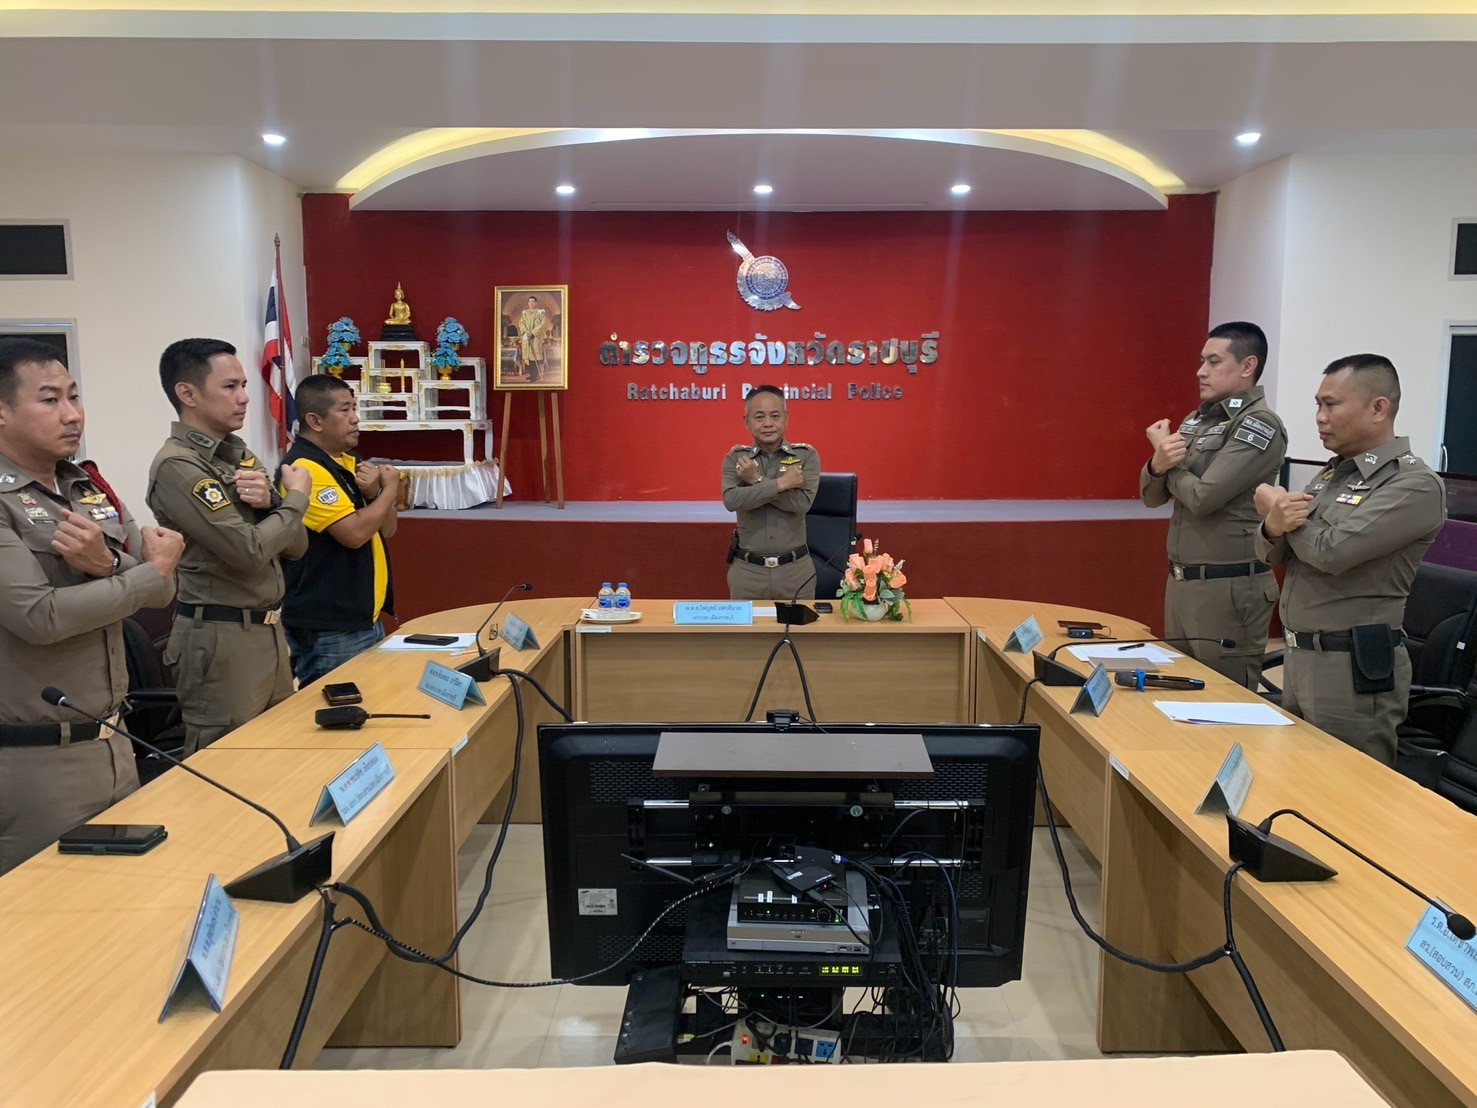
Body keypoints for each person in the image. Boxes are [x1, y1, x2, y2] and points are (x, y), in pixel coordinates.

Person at [0, 338, 183, 874]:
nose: (72, 414)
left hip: (115, 742)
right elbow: (40, 617)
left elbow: (163, 591)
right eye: (50, 399)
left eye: (74, 396)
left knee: (129, 900)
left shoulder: (85, 487)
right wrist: (140, 573)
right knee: (51, 915)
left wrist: (108, 565)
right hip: (37, 761)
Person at [1254, 354, 1447, 766]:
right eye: (1318, 405)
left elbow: (1331, 552)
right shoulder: (1334, 474)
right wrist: (1272, 524)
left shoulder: (1414, 484)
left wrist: (1280, 511)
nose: (1320, 417)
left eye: (1331, 404)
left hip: (1350, 668)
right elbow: (1278, 551)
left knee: (1347, 791)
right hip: (1301, 655)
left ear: (1378, 408)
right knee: (1296, 782)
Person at [146, 338, 311, 754]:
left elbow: (297, 546)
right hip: (221, 637)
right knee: (227, 764)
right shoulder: (179, 465)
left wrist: (274, 503)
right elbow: (249, 553)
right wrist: (295, 499)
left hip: (267, 630)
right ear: (188, 394)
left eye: (244, 386)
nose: (244, 398)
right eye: (230, 387)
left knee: (280, 757)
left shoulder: (238, 454)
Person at [1139, 322, 1287, 688]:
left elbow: (1203, 497)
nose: (1200, 371)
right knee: (1179, 692)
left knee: (1222, 698)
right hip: (1182, 582)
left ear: (1248, 365)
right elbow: (1151, 497)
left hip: (1229, 587)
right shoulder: (1197, 420)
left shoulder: (1259, 424)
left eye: (1214, 361)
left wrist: (1169, 464)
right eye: (1201, 361)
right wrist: (1157, 464)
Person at [281, 374, 400, 685]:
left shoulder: (349, 462)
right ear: (315, 421)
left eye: (354, 408)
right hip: (329, 625)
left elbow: (388, 528)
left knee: (372, 700)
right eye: (345, 410)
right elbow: (354, 534)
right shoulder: (305, 468)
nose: (355, 418)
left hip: (362, 617)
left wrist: (376, 494)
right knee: (338, 708)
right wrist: (390, 489)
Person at [722, 384, 821, 600]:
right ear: (746, 421)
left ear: (786, 418)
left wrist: (755, 480)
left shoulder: (806, 456)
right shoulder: (736, 458)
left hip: (795, 572)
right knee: (746, 625)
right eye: (759, 417)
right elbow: (731, 500)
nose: (768, 423)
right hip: (748, 573)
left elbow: (801, 504)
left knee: (799, 624)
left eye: (775, 416)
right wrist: (782, 484)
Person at [517, 295, 548, 383]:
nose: (531, 303)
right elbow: (521, 323)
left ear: (536, 303)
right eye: (530, 301)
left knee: (534, 357)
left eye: (533, 301)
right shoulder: (525, 313)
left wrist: (533, 332)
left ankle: (535, 376)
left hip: (535, 338)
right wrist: (526, 331)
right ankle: (532, 375)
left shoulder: (540, 313)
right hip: (527, 337)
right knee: (529, 357)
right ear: (528, 303)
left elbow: (542, 324)